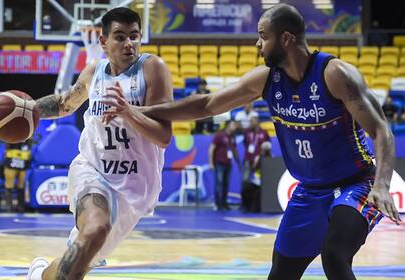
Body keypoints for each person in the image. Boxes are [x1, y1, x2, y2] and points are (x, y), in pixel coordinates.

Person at [134, 4, 401, 279]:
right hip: (310, 190)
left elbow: (382, 131)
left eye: (263, 36)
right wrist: (141, 111)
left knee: (334, 255)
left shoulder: (335, 74)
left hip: (356, 183)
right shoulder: (266, 80)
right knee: (281, 273)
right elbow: (207, 105)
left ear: (286, 39)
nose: (257, 43)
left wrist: (381, 185)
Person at [23, 7, 172, 280]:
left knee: (80, 263)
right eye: (120, 37)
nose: (129, 43)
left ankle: (39, 274)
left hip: (134, 188)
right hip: (93, 170)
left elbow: (163, 136)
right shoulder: (94, 72)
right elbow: (64, 104)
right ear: (103, 42)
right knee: (95, 228)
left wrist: (129, 113)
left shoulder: (153, 70)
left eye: (134, 36)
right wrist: (27, 108)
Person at [208, 120, 240, 210]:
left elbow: (234, 150)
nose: (235, 127)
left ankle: (224, 203)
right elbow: (211, 148)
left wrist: (238, 162)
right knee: (219, 183)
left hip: (228, 164)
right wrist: (211, 163)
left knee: (226, 184)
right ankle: (217, 204)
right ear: (228, 126)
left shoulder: (233, 137)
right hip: (219, 163)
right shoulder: (219, 135)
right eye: (233, 125)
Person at [241, 141, 272, 213]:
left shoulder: (271, 158)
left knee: (258, 192)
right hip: (256, 181)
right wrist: (256, 161)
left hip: (266, 182)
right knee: (245, 188)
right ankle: (245, 206)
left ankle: (255, 208)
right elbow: (253, 168)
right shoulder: (258, 158)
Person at [3, 139, 33, 213]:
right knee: (9, 186)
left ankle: (21, 206)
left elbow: (29, 146)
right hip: (11, 162)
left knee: (21, 186)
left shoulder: (27, 134)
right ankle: (9, 206)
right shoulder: (10, 133)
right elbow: (7, 145)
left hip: (22, 163)